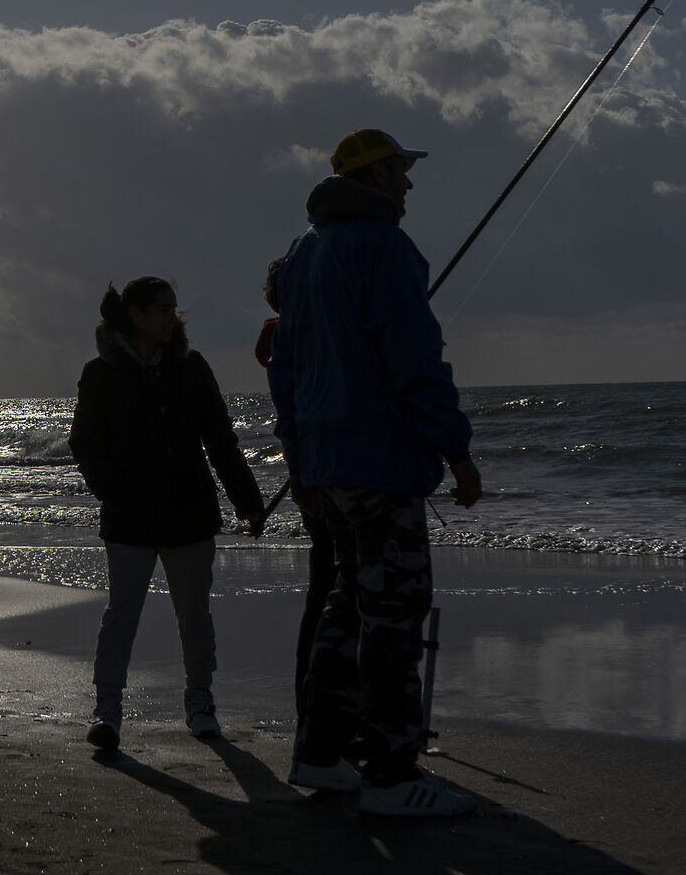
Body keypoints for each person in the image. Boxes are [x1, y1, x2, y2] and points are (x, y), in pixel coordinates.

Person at [269, 128, 483, 817]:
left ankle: (322, 753)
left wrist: (299, 459)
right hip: (381, 467)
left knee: (347, 606)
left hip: (327, 469)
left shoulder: (302, 253)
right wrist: (456, 448)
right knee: (393, 614)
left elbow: (285, 368)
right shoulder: (386, 248)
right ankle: (390, 774)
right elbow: (414, 358)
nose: (410, 185)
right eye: (402, 171)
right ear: (379, 175)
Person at [70, 277, 265, 752]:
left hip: (190, 515)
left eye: (174, 309)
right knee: (122, 614)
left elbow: (221, 440)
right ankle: (107, 711)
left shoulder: (191, 367)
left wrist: (249, 502)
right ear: (135, 313)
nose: (171, 318)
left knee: (194, 616)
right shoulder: (100, 374)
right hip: (129, 520)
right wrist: (113, 493)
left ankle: (201, 704)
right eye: (161, 309)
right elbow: (85, 445)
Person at [253, 258, 339, 724]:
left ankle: (318, 707)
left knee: (326, 586)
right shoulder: (299, 337)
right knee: (334, 589)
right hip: (322, 476)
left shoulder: (290, 336)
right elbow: (293, 414)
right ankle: (322, 708)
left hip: (315, 473)